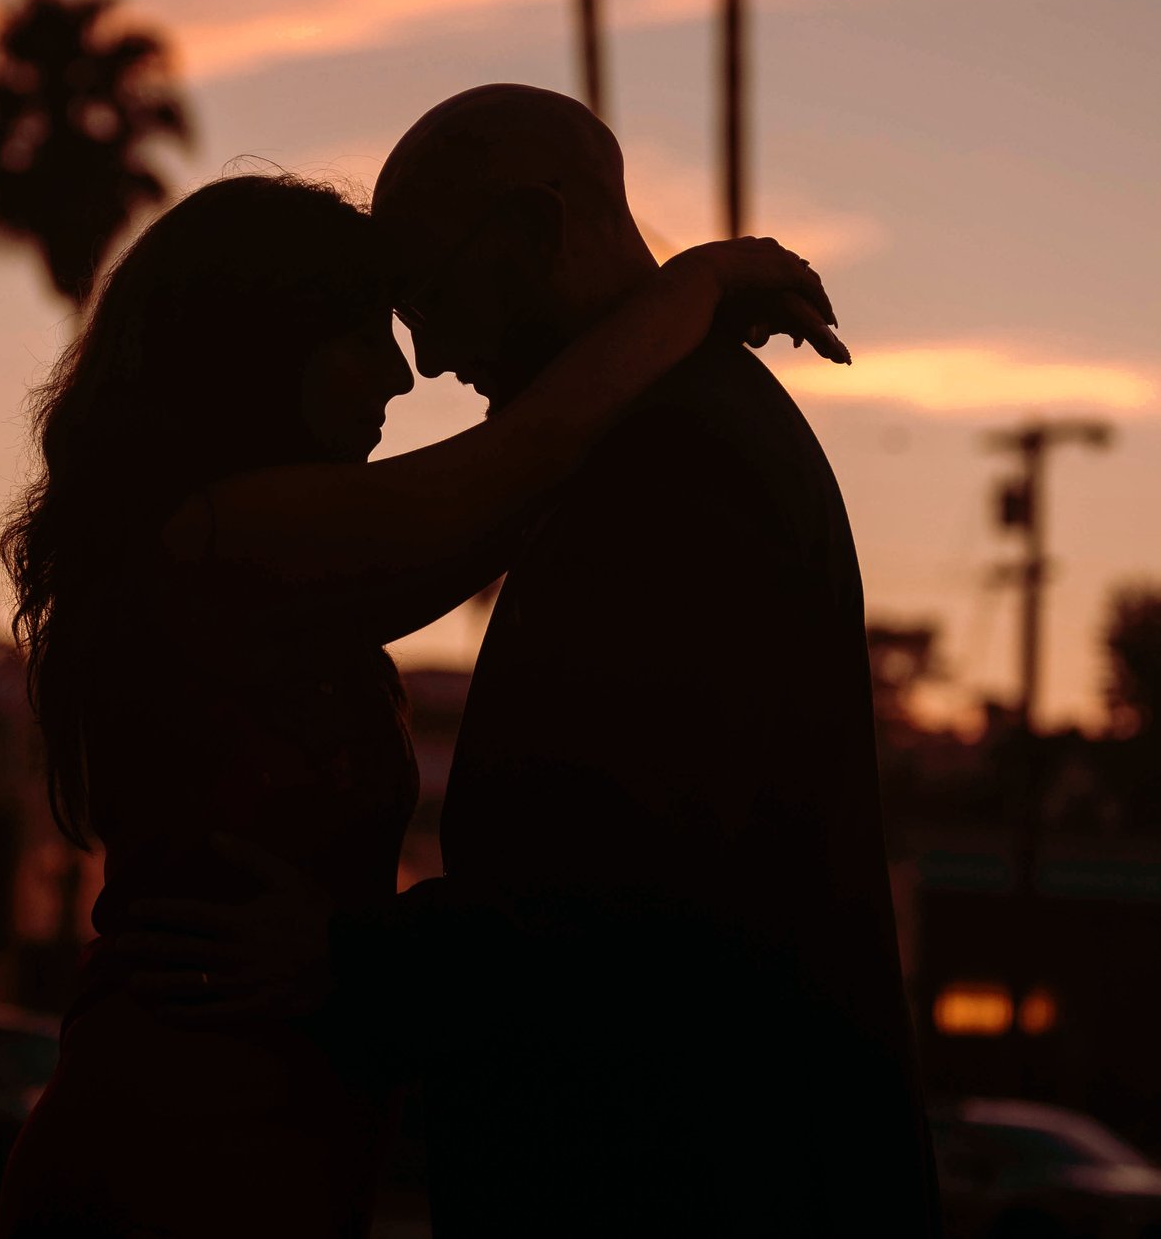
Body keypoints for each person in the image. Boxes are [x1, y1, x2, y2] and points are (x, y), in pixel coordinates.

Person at [128, 85, 941, 1237]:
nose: (424, 360)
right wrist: (695, 287)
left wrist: (355, 961)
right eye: (379, 325)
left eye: (426, 299)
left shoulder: (675, 460)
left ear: (525, 233)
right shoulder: (623, 443)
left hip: (685, 1180)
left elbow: (624, 886)